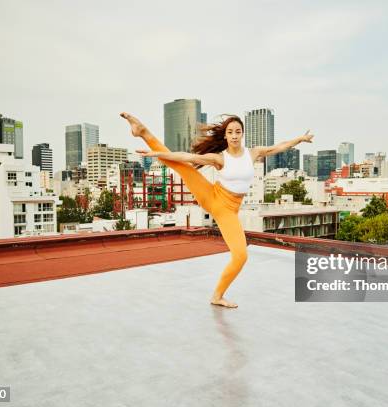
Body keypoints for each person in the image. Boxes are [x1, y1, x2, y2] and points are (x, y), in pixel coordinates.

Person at [120, 112, 314, 308]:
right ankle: (143, 132)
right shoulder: (220, 158)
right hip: (214, 199)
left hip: (230, 209)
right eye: (230, 132)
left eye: (238, 131)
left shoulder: (253, 153)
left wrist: (300, 138)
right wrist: (159, 154)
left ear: (243, 134)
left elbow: (279, 147)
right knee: (185, 167)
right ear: (225, 136)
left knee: (240, 256)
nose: (234, 135)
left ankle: (217, 296)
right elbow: (188, 157)